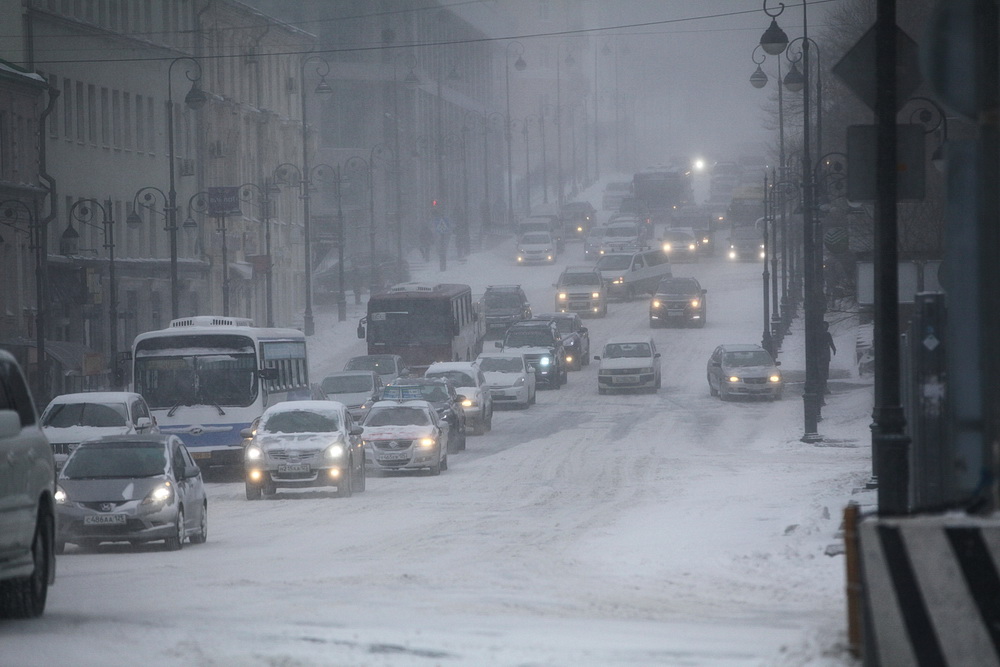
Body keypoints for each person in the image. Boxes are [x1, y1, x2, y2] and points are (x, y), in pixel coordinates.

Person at [818, 321, 837, 396]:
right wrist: (834, 349)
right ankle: (823, 386)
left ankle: (823, 386)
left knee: (824, 372)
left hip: (823, 355)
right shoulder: (825, 334)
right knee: (823, 372)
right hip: (823, 355)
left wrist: (834, 349)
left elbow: (831, 342)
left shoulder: (824, 334)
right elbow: (831, 343)